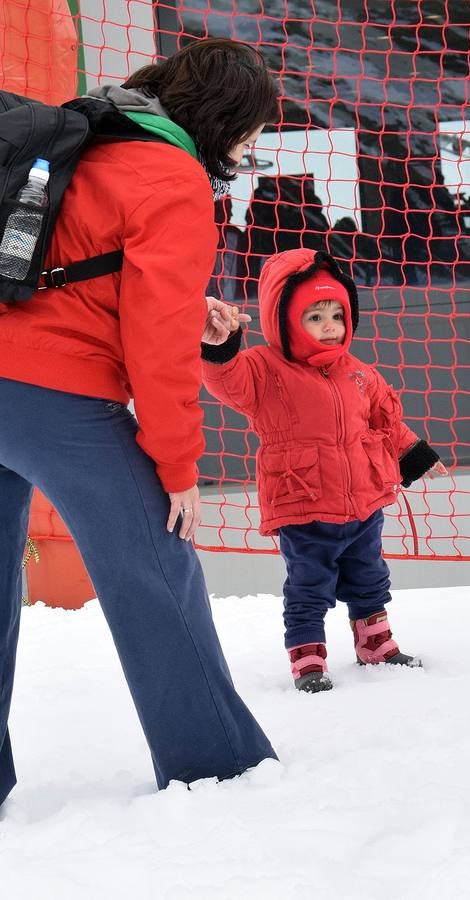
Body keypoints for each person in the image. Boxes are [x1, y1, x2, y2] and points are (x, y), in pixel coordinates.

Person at [0, 38, 280, 806]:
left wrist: (192, 313)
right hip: (55, 397)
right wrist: (178, 467)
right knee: (157, 565)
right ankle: (218, 769)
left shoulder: (78, 138)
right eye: (253, 131)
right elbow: (154, 349)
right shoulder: (174, 179)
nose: (253, 146)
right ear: (225, 122)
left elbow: (67, 273)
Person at [201, 248, 448, 692]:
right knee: (309, 586)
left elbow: (384, 421)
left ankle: (376, 644)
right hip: (304, 502)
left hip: (364, 500)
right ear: (284, 320)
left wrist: (414, 454)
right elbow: (226, 382)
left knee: (370, 577)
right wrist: (220, 349)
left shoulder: (358, 373)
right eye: (315, 316)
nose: (330, 325)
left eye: (337, 313)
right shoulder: (263, 369)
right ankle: (308, 660)